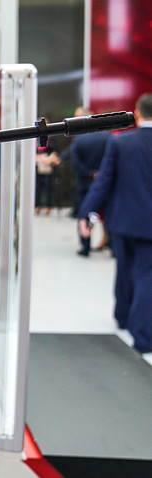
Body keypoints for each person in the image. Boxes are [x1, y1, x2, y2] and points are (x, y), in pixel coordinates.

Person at [78, 93, 152, 354]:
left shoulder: (120, 143)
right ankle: (142, 336)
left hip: (122, 221)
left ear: (137, 113)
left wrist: (86, 213)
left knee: (124, 269)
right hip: (149, 227)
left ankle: (123, 316)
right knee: (146, 275)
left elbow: (103, 182)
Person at [64, 107, 111, 255]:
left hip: (85, 183)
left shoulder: (79, 140)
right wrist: (100, 173)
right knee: (108, 214)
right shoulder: (108, 137)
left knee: (84, 214)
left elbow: (76, 164)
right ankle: (112, 246)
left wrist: (90, 174)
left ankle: (85, 247)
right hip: (105, 183)